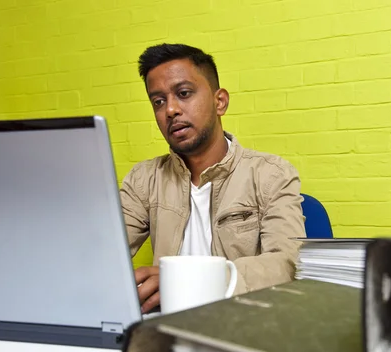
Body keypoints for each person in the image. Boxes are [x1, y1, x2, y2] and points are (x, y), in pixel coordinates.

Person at [119, 43, 306, 313]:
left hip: (241, 323)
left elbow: (287, 263)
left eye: (183, 93)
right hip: (166, 327)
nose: (170, 110)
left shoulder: (271, 174)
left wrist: (186, 279)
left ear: (220, 102)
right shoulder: (144, 179)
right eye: (158, 101)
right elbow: (102, 255)